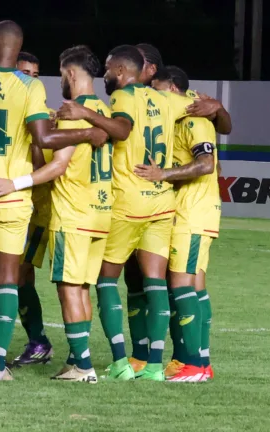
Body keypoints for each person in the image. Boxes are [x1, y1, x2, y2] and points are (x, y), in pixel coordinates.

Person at [0, 20, 107, 381]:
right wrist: (89, 132)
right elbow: (44, 139)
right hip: (13, 199)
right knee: (6, 280)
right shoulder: (30, 86)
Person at [58, 45, 194, 381]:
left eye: (107, 68)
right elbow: (208, 112)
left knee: (105, 279)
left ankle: (121, 361)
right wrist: (216, 108)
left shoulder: (121, 99)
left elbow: (121, 130)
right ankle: (154, 367)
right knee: (155, 283)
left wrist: (86, 114)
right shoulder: (165, 99)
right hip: (161, 202)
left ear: (120, 71)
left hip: (127, 201)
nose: (104, 74)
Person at [0, 45, 111, 383]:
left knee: (69, 289)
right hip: (101, 211)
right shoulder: (103, 110)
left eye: (59, 74)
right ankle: (76, 359)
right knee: (82, 288)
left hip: (72, 213)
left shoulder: (76, 111)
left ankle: (83, 366)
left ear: (70, 73)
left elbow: (57, 167)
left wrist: (15, 183)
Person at [141, 79, 220, 382]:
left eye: (160, 90)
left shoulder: (194, 121)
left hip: (193, 214)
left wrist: (162, 174)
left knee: (181, 284)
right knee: (196, 286)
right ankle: (198, 361)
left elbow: (206, 165)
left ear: (173, 89)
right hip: (190, 213)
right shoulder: (171, 123)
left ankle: (196, 367)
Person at [11, 51, 56, 366]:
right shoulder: (3, 109)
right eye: (24, 72)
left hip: (36, 207)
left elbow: (46, 167)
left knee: (15, 274)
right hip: (6, 204)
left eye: (35, 74)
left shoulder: (48, 116)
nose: (30, 79)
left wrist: (37, 139)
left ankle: (38, 341)